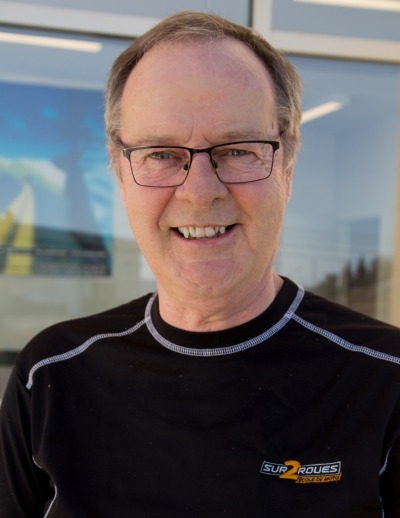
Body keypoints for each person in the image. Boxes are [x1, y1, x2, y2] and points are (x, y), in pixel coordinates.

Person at [0, 10, 399, 518]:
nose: (200, 191)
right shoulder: (51, 376)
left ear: (288, 165)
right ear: (121, 172)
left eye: (237, 150)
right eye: (161, 154)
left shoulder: (385, 382)